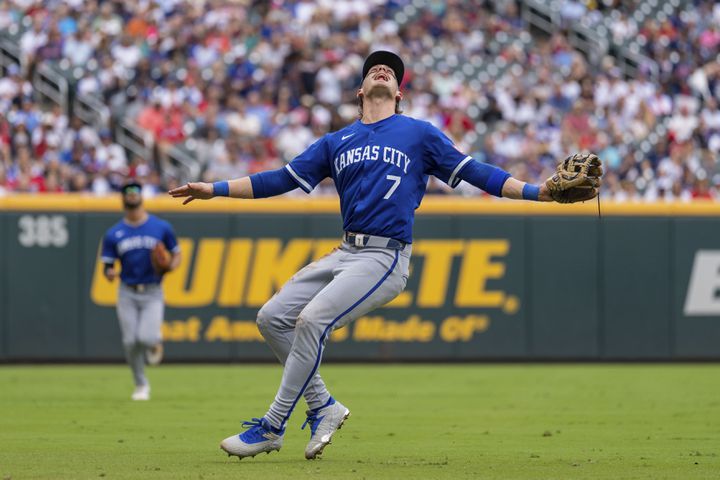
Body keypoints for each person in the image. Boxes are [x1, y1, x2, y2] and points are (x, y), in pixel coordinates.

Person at [169, 51, 597, 459]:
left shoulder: (419, 133)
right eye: (374, 68)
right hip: (345, 251)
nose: (382, 70)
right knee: (271, 318)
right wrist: (216, 188)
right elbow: (279, 179)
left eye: (391, 71)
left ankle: (272, 427)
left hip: (384, 257)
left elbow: (476, 173)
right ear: (359, 91)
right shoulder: (337, 141)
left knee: (311, 321)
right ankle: (324, 406)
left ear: (399, 93)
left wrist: (537, 192)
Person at [101, 181, 181, 400]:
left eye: (136, 191)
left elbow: (176, 254)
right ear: (123, 198)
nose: (132, 194)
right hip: (127, 290)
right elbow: (107, 266)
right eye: (128, 192)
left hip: (153, 290)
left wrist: (169, 267)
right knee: (130, 342)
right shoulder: (114, 233)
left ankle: (154, 339)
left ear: (141, 197)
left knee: (144, 338)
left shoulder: (160, 227)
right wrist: (109, 273)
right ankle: (140, 384)